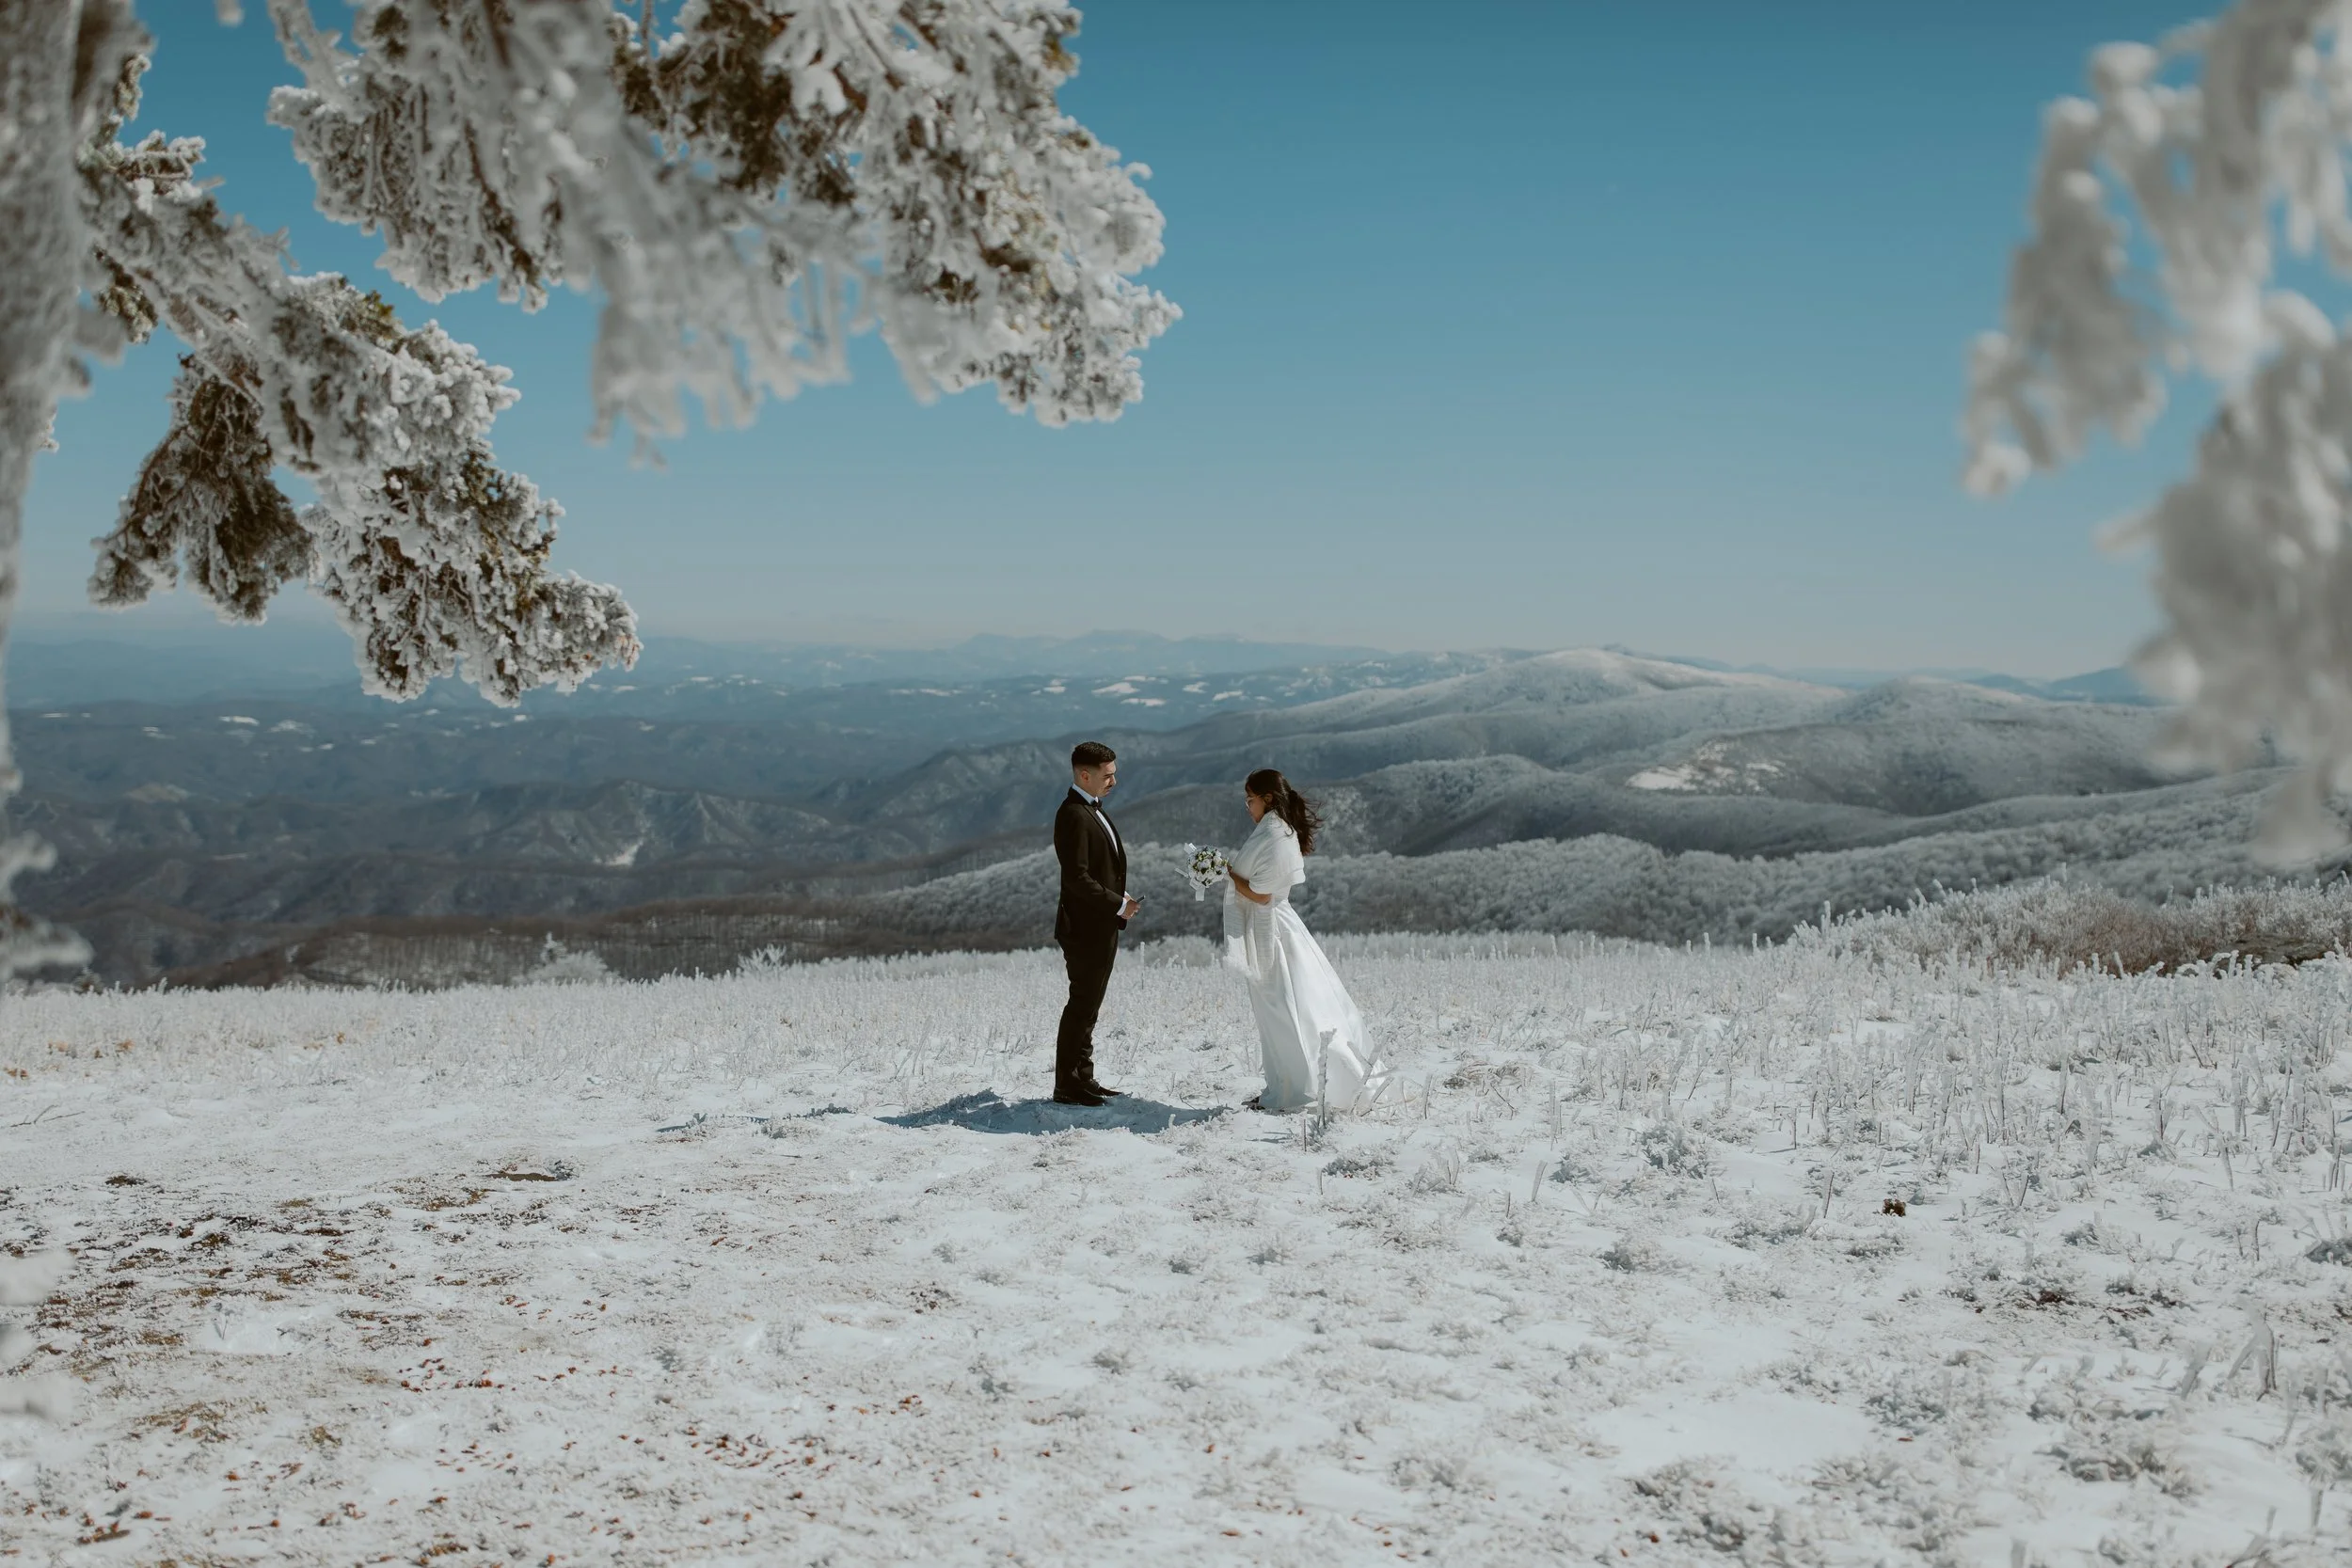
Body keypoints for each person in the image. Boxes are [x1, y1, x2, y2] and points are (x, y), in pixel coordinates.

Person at [1225, 768, 1388, 1113]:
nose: (1247, 806)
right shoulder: (1277, 831)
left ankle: (1295, 1087)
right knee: (1288, 1006)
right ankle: (1286, 1082)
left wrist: (1225, 872)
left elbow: (1261, 895)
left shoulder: (1275, 835)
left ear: (1267, 799)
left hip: (1275, 930)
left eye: (1250, 799)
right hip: (1278, 926)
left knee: (1283, 1008)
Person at [1051, 740, 1140, 1106]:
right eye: (1107, 776)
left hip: (1099, 924)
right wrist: (1118, 903)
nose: (1114, 782)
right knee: (1081, 1005)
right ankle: (1068, 1085)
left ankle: (1082, 1079)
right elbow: (1077, 878)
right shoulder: (1073, 814)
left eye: (1114, 773)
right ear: (1084, 775)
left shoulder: (1091, 809)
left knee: (1089, 1006)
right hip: (1086, 927)